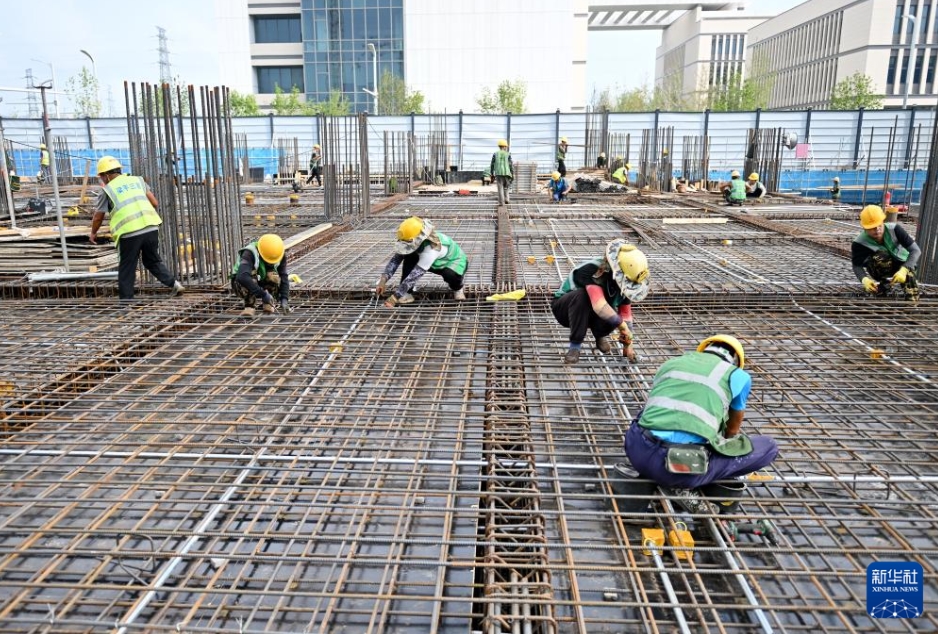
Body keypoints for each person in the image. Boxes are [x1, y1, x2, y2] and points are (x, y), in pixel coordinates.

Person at [624, 335, 779, 515]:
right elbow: (732, 431)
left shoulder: (671, 363)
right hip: (679, 469)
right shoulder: (738, 375)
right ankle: (678, 486)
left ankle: (663, 472)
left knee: (649, 412)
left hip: (637, 452)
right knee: (768, 447)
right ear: (736, 360)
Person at [89, 156, 185, 301]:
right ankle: (174, 284)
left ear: (107, 175)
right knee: (152, 261)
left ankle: (126, 302)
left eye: (101, 177)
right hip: (151, 227)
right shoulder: (137, 180)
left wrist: (93, 233)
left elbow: (98, 216)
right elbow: (154, 202)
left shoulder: (107, 190)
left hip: (129, 233)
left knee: (127, 266)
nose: (102, 180)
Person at [551, 239, 649, 365]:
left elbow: (626, 314)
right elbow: (599, 305)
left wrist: (628, 343)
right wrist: (622, 326)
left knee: (615, 315)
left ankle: (599, 335)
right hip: (566, 309)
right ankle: (575, 346)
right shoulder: (593, 269)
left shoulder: (625, 283)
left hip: (593, 311)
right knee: (583, 296)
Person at [376, 216, 468, 307]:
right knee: (409, 255)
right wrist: (383, 280)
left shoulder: (431, 249)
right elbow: (396, 260)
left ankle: (458, 288)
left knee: (450, 274)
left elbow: (415, 275)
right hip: (432, 261)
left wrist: (394, 298)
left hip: (453, 261)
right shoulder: (412, 239)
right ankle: (407, 294)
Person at [852, 205, 921, 301]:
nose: (877, 230)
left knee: (909, 273)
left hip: (902, 264)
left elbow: (916, 250)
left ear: (883, 222)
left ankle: (912, 304)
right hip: (880, 269)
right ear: (864, 228)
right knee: (881, 256)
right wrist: (864, 279)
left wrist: (904, 269)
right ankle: (885, 284)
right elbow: (856, 265)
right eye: (872, 228)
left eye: (879, 225)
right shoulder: (859, 243)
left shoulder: (895, 229)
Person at [230, 233, 291, 317]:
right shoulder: (250, 253)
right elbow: (242, 277)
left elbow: (284, 276)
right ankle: (249, 305)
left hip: (261, 280)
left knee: (274, 276)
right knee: (249, 275)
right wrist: (263, 294)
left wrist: (284, 298)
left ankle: (268, 302)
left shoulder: (279, 254)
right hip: (241, 283)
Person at [490, 139, 513, 206]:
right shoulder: (508, 154)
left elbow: (492, 164)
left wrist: (492, 173)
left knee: (500, 188)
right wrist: (512, 173)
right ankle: (507, 199)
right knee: (506, 187)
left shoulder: (495, 154)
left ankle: (501, 202)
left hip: (498, 173)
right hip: (507, 173)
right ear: (505, 146)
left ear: (499, 146)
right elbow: (511, 164)